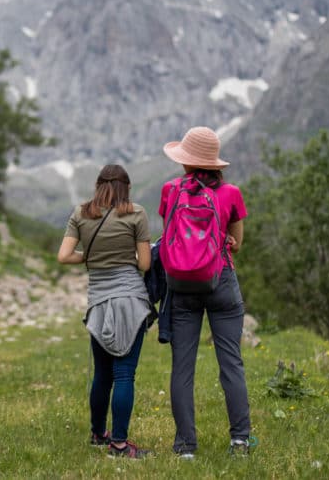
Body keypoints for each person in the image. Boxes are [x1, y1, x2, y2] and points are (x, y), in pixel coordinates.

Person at [159, 126, 252, 459]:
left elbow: (171, 232)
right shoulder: (231, 193)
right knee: (231, 363)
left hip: (181, 286)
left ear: (185, 161)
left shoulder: (170, 189)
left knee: (183, 367)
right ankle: (240, 441)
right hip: (221, 280)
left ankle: (185, 447)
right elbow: (237, 245)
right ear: (214, 162)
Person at [57, 164, 153, 459]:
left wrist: (91, 255)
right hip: (130, 300)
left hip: (98, 302)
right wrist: (126, 254)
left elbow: (63, 256)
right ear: (127, 187)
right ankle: (120, 445)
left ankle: (99, 434)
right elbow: (145, 264)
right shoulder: (136, 213)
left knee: (102, 374)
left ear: (98, 185)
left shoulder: (81, 213)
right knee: (124, 374)